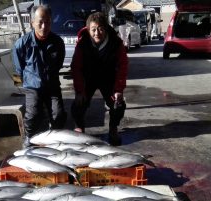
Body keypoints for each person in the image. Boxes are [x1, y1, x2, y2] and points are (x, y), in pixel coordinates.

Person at [12, 5, 67, 148]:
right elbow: (18, 69)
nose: (44, 26)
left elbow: (59, 64)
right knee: (33, 114)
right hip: (32, 86)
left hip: (52, 85)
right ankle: (29, 137)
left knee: (59, 114)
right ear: (32, 22)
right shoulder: (21, 44)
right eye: (40, 22)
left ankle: (54, 137)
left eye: (48, 22)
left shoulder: (58, 42)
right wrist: (21, 87)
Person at [71, 12, 128, 146]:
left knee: (118, 105)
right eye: (93, 29)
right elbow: (76, 67)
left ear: (106, 28)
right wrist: (79, 91)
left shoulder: (116, 43)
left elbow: (123, 66)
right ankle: (79, 128)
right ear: (88, 30)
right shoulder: (82, 43)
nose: (97, 33)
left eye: (101, 28)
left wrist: (119, 89)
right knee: (77, 105)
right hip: (88, 78)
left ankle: (113, 128)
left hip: (108, 78)